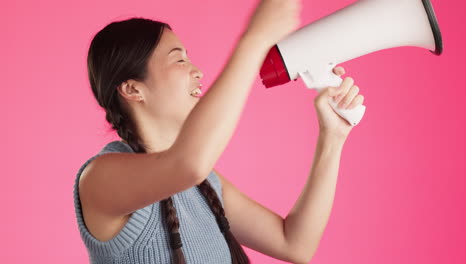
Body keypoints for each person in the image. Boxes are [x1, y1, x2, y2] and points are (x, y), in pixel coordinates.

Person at [73, 0, 365, 263]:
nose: (197, 71)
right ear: (133, 89)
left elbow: (295, 244)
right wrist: (254, 40)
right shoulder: (100, 178)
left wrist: (332, 136)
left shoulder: (203, 184)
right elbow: (188, 164)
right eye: (179, 59)